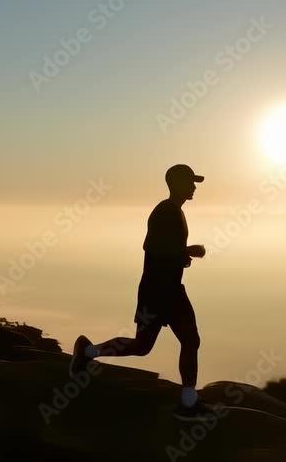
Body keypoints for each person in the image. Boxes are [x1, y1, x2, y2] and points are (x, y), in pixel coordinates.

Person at [69, 164, 211, 421]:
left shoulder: (174, 211)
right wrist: (187, 252)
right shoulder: (166, 211)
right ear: (176, 183)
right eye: (190, 182)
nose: (193, 187)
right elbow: (151, 247)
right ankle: (187, 405)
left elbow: (163, 249)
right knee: (154, 344)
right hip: (158, 290)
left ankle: (87, 352)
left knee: (175, 342)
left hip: (167, 289)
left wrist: (182, 257)